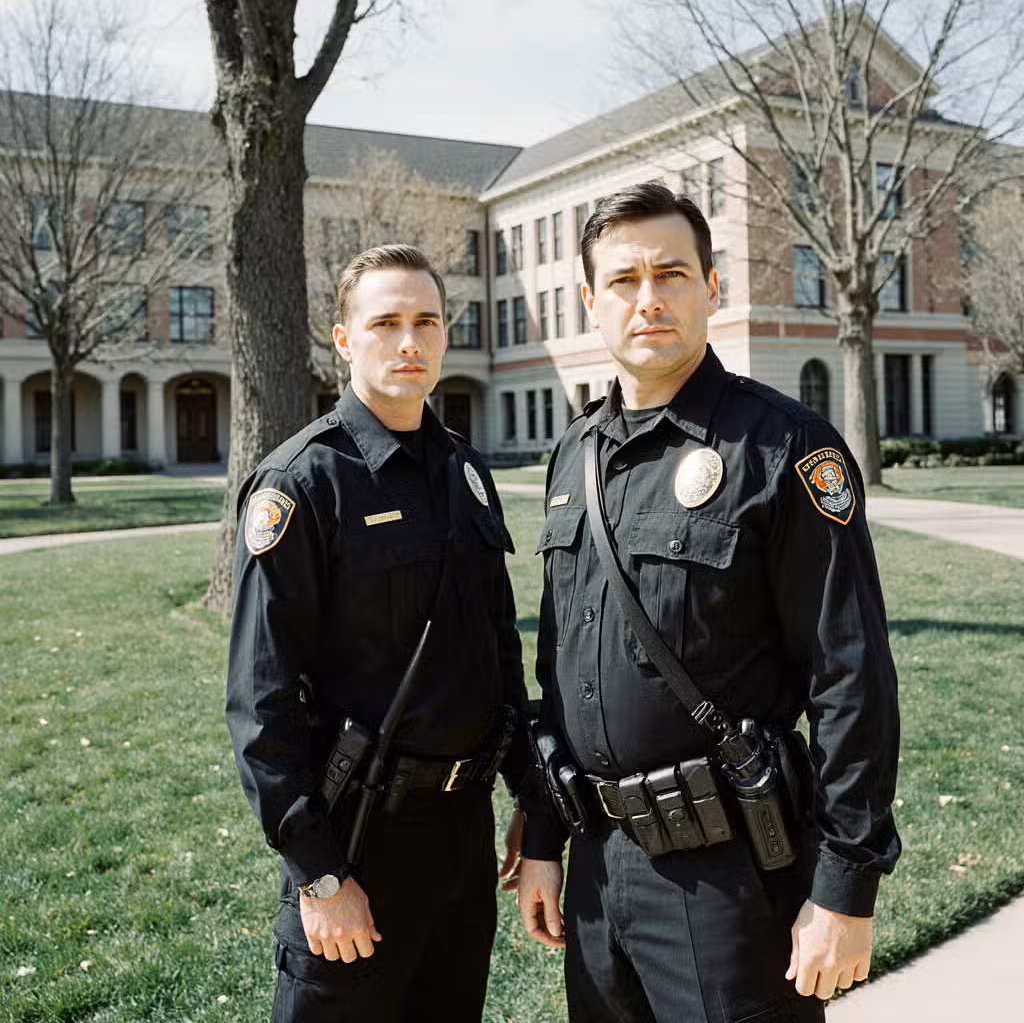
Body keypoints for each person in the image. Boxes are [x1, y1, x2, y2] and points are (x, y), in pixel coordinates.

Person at [514, 183, 901, 1023]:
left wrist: (845, 890)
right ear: (589, 302)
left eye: (672, 273)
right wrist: (544, 840)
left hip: (727, 879)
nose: (647, 298)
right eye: (622, 281)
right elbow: (557, 666)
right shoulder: (573, 454)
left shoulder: (785, 449)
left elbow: (851, 679)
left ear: (712, 287)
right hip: (594, 870)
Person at [226, 244, 529, 1022]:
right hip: (358, 838)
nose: (409, 342)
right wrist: (320, 877)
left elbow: (500, 651)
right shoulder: (301, 483)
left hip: (463, 839)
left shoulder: (465, 469)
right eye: (386, 322)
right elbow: (261, 704)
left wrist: (532, 796)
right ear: (342, 338)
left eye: (426, 321)